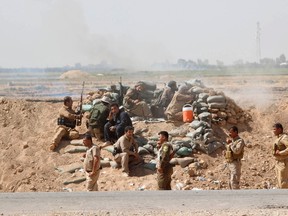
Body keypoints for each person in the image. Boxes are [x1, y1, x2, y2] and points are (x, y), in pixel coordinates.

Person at [272, 123, 288, 188]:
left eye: (274, 129)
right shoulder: (278, 138)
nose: (273, 131)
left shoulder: (284, 137)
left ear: (279, 129)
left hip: (283, 162)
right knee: (279, 182)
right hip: (278, 162)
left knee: (283, 182)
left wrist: (281, 153)